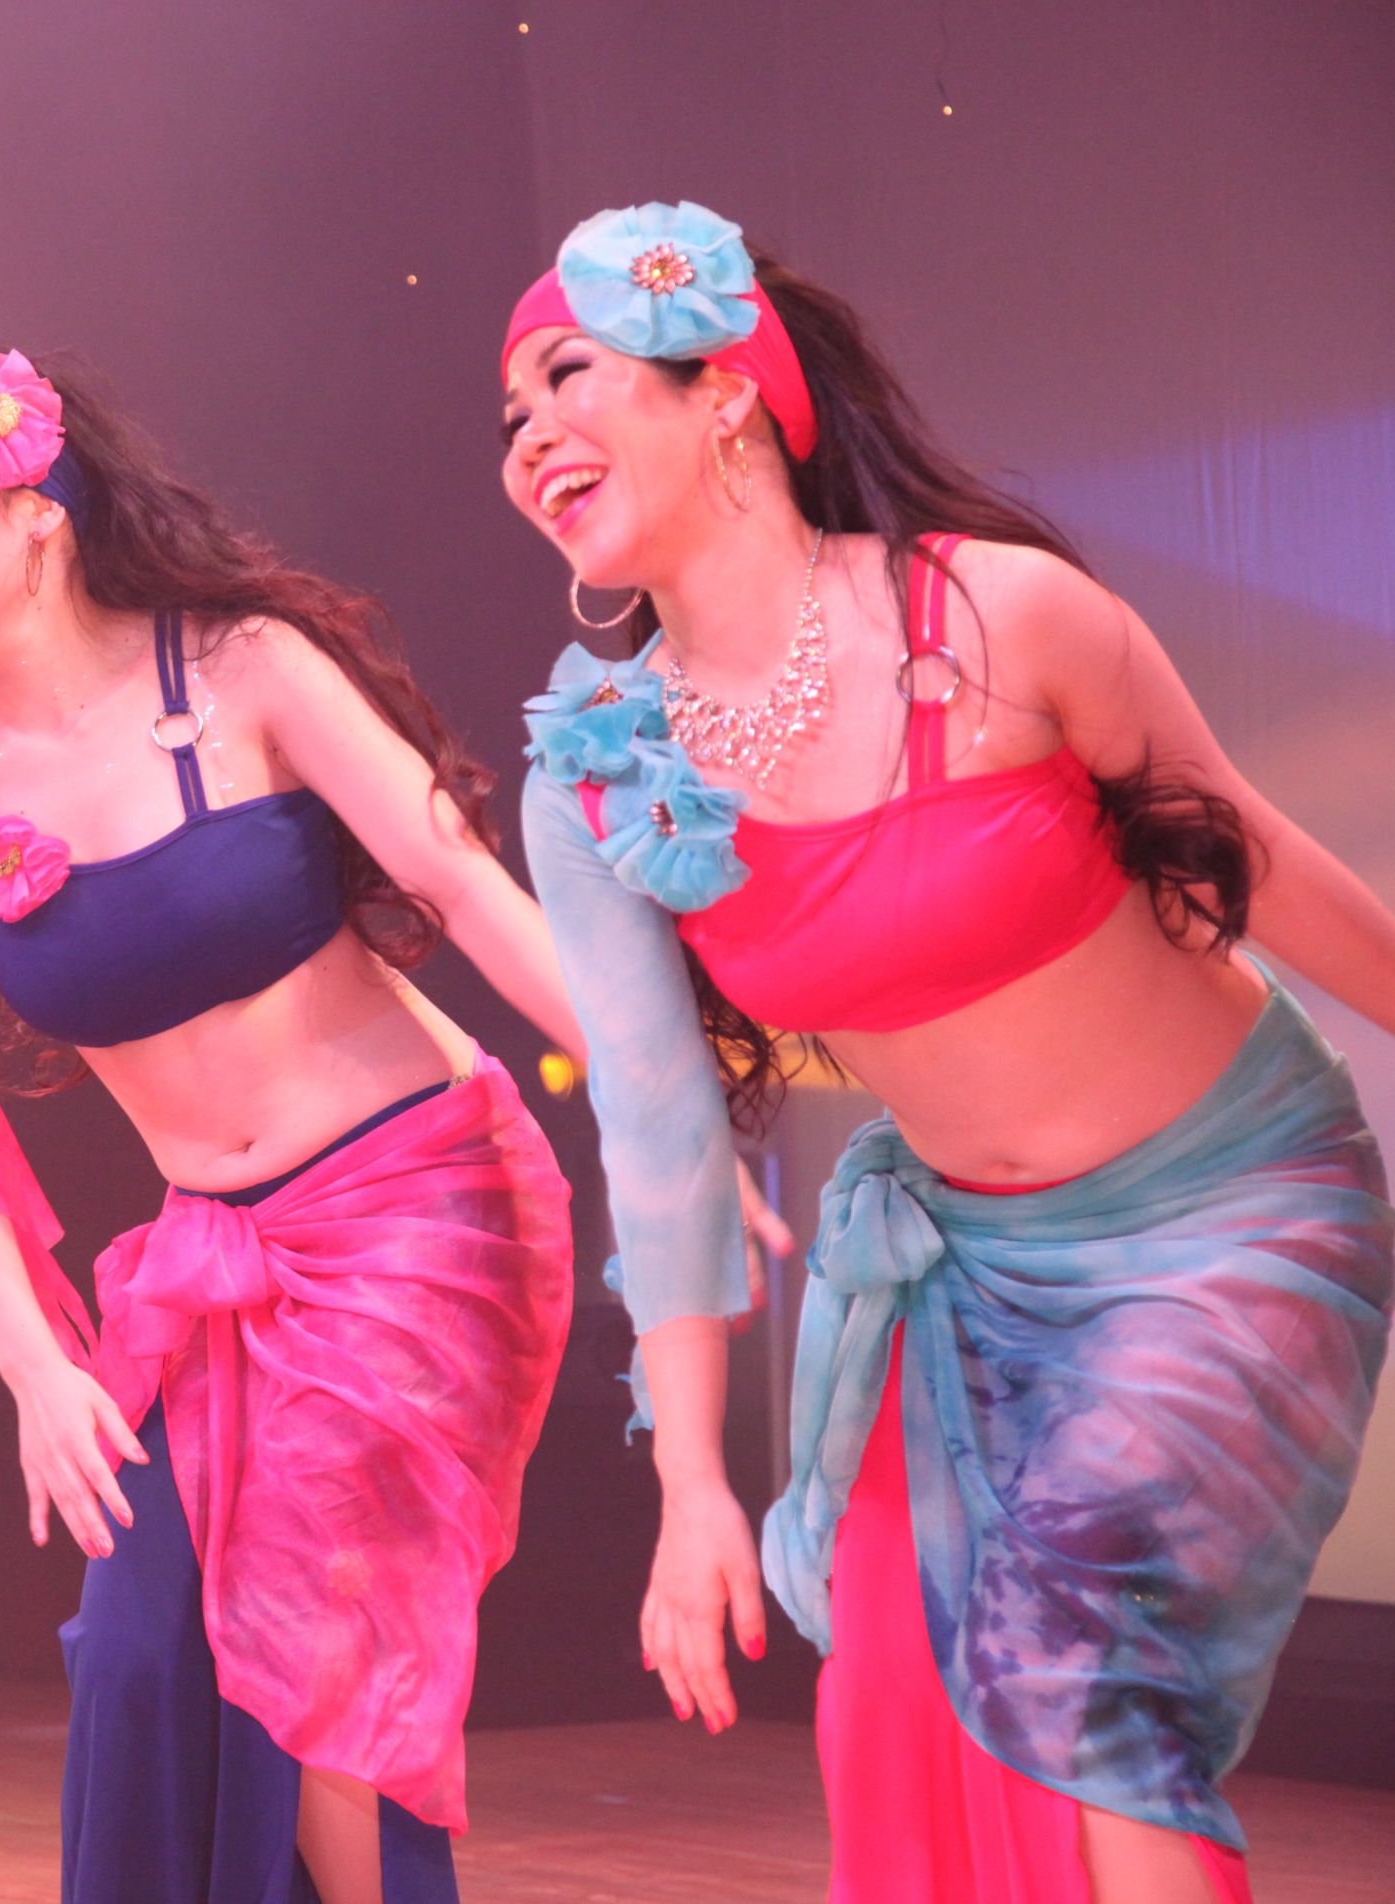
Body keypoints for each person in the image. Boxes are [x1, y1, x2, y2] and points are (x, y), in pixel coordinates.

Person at [500, 200, 1395, 1901]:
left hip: (1233, 1206)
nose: (531, 432)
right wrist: (691, 1487)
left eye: (567, 375)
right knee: (903, 1714)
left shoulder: (994, 615)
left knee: (1075, 1654)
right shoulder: (597, 775)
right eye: (510, 417)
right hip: (970, 1274)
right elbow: (660, 1136)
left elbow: (1255, 858)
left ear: (728, 394)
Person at [0, 346, 588, 1902]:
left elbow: (456, 881)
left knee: (314, 1645)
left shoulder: (241, 668)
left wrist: (653, 1102)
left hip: (423, 1201)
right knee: (141, 1661)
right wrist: (37, 1373)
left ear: (36, 502)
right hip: (213, 1263)